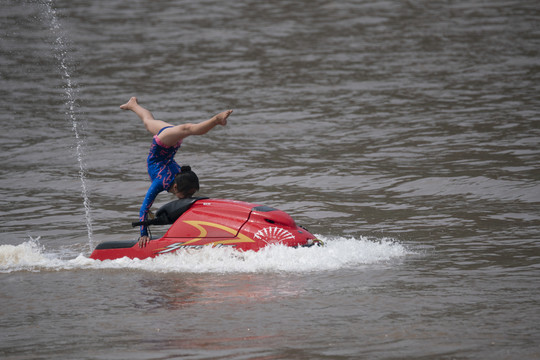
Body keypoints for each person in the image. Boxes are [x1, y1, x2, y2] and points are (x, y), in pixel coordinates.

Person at [120, 97, 232, 248]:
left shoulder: (180, 176)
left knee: (148, 121)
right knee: (187, 129)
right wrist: (143, 234)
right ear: (175, 188)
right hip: (163, 142)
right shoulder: (160, 183)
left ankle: (133, 104)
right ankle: (216, 120)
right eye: (186, 195)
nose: (187, 198)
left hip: (169, 144)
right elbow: (144, 208)